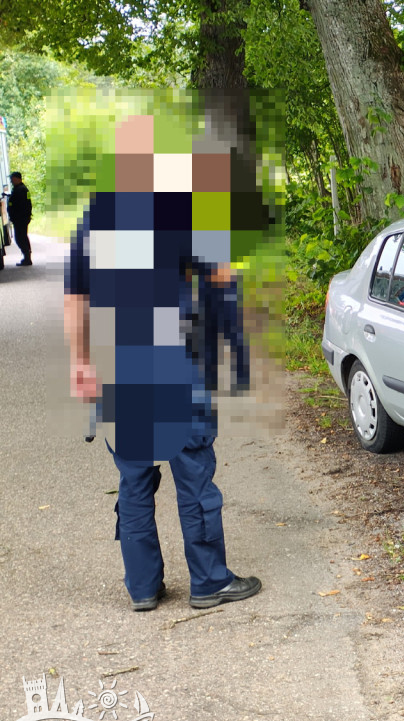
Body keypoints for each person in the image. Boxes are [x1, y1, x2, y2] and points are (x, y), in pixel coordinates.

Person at [64, 112, 262, 612]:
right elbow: (219, 279)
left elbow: (76, 301)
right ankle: (209, 581)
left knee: (134, 478)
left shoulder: (94, 219)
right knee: (192, 469)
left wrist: (81, 363)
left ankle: (143, 588)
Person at [8, 172, 32, 266]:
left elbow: (25, 204)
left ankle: (27, 257)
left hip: (20, 219)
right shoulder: (19, 189)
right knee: (21, 237)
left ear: (18, 179)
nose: (11, 181)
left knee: (20, 238)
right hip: (20, 218)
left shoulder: (22, 190)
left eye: (13, 179)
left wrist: (24, 216)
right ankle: (27, 257)